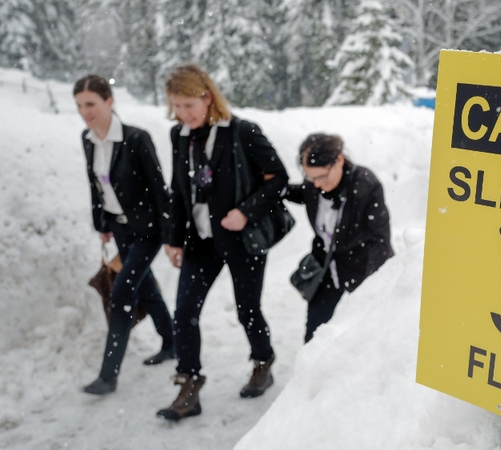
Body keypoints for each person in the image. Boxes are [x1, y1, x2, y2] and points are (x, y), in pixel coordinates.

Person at [158, 64, 288, 421]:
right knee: (184, 313)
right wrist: (173, 239)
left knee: (248, 310)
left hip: (241, 240)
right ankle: (189, 386)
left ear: (207, 96)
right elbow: (178, 190)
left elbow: (279, 178)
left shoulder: (242, 131)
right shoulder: (179, 135)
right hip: (200, 241)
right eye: (177, 107)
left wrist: (246, 211)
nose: (184, 115)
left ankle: (263, 362)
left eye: (189, 105)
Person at [75, 74, 175, 396]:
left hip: (148, 231)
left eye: (90, 103)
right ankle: (171, 342)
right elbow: (96, 185)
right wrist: (101, 223)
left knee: (121, 293)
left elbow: (160, 190)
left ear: (109, 101)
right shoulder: (88, 139)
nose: (85, 111)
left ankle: (108, 375)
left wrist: (171, 234)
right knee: (145, 287)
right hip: (119, 227)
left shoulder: (136, 138)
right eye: (79, 105)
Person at [285, 133, 394, 343]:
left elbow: (379, 240)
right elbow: (303, 193)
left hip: (361, 266)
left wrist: (373, 288)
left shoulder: (365, 186)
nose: (316, 184)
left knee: (363, 333)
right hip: (327, 266)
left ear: (339, 161)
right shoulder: (315, 185)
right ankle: (311, 370)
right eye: (311, 178)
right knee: (314, 333)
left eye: (322, 177)